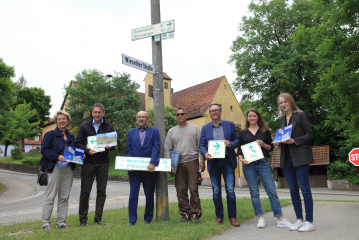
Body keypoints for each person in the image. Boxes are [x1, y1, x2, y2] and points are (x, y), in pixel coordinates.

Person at [237, 108, 293, 228]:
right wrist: (242, 160)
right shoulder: (243, 132)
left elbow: (271, 148)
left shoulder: (265, 131)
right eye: (250, 116)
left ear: (258, 117)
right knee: (254, 192)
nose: (252, 118)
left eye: (254, 116)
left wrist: (263, 144)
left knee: (271, 191)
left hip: (262, 163)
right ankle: (260, 218)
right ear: (247, 118)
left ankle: (280, 218)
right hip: (249, 164)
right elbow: (239, 150)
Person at [273, 93, 315, 232]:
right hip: (287, 158)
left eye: (285, 102)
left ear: (291, 102)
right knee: (293, 190)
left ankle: (309, 221)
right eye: (281, 103)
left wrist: (295, 140)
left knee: (305, 189)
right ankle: (299, 220)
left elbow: (310, 134)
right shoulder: (281, 120)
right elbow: (282, 138)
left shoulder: (300, 115)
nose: (283, 104)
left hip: (300, 157)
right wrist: (278, 143)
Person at [199, 103, 241, 227]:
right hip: (213, 162)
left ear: (220, 112)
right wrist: (205, 153)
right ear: (210, 113)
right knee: (216, 191)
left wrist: (231, 145)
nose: (214, 112)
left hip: (228, 160)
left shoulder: (230, 125)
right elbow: (201, 144)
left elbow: (237, 140)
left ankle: (232, 217)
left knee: (230, 191)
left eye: (216, 110)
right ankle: (219, 217)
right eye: (212, 111)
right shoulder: (205, 128)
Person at [76, 103, 116, 227]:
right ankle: (83, 219)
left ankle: (98, 218)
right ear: (92, 113)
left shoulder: (109, 126)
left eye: (99, 112)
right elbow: (78, 143)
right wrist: (87, 151)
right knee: (85, 191)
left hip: (103, 163)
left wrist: (111, 146)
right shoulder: (85, 126)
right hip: (88, 163)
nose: (97, 114)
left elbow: (113, 144)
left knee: (101, 191)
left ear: (103, 113)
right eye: (95, 112)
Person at [164, 107, 204, 224]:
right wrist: (168, 164)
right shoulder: (172, 131)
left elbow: (200, 145)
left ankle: (195, 214)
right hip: (178, 164)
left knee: (193, 189)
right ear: (176, 116)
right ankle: (185, 215)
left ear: (186, 115)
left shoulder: (194, 128)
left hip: (192, 162)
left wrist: (202, 161)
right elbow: (167, 148)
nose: (180, 116)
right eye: (177, 114)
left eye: (182, 114)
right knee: (181, 190)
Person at [40, 110, 77, 230]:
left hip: (68, 169)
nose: (62, 121)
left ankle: (61, 222)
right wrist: (57, 156)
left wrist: (80, 157)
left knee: (64, 196)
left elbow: (73, 152)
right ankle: (46, 223)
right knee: (50, 196)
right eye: (59, 119)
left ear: (68, 121)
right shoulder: (51, 134)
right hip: (54, 167)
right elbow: (44, 150)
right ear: (56, 121)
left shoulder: (71, 136)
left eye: (64, 119)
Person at [126, 111, 161, 226]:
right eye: (139, 117)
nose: (141, 119)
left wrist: (153, 163)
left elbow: (156, 147)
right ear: (136, 119)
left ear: (147, 119)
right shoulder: (130, 133)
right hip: (134, 170)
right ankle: (132, 220)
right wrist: (130, 163)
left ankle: (148, 218)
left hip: (149, 169)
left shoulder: (154, 132)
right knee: (133, 194)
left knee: (149, 194)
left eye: (143, 117)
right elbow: (129, 150)